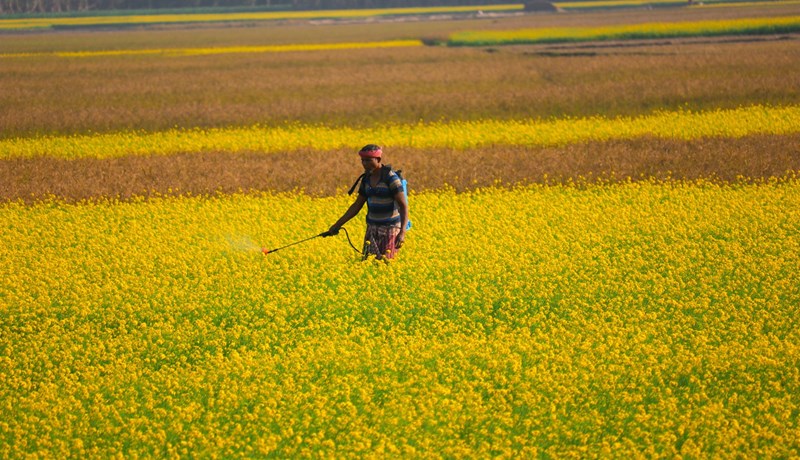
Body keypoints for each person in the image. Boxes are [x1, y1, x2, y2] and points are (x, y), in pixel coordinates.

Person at [328, 145, 409, 260]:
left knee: (385, 265)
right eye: (363, 160)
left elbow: (403, 206)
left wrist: (402, 233)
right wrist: (337, 225)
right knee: (368, 263)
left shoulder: (391, 178)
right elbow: (357, 205)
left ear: (378, 160)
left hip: (390, 229)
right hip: (372, 228)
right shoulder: (366, 179)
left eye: (368, 160)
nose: (364, 164)